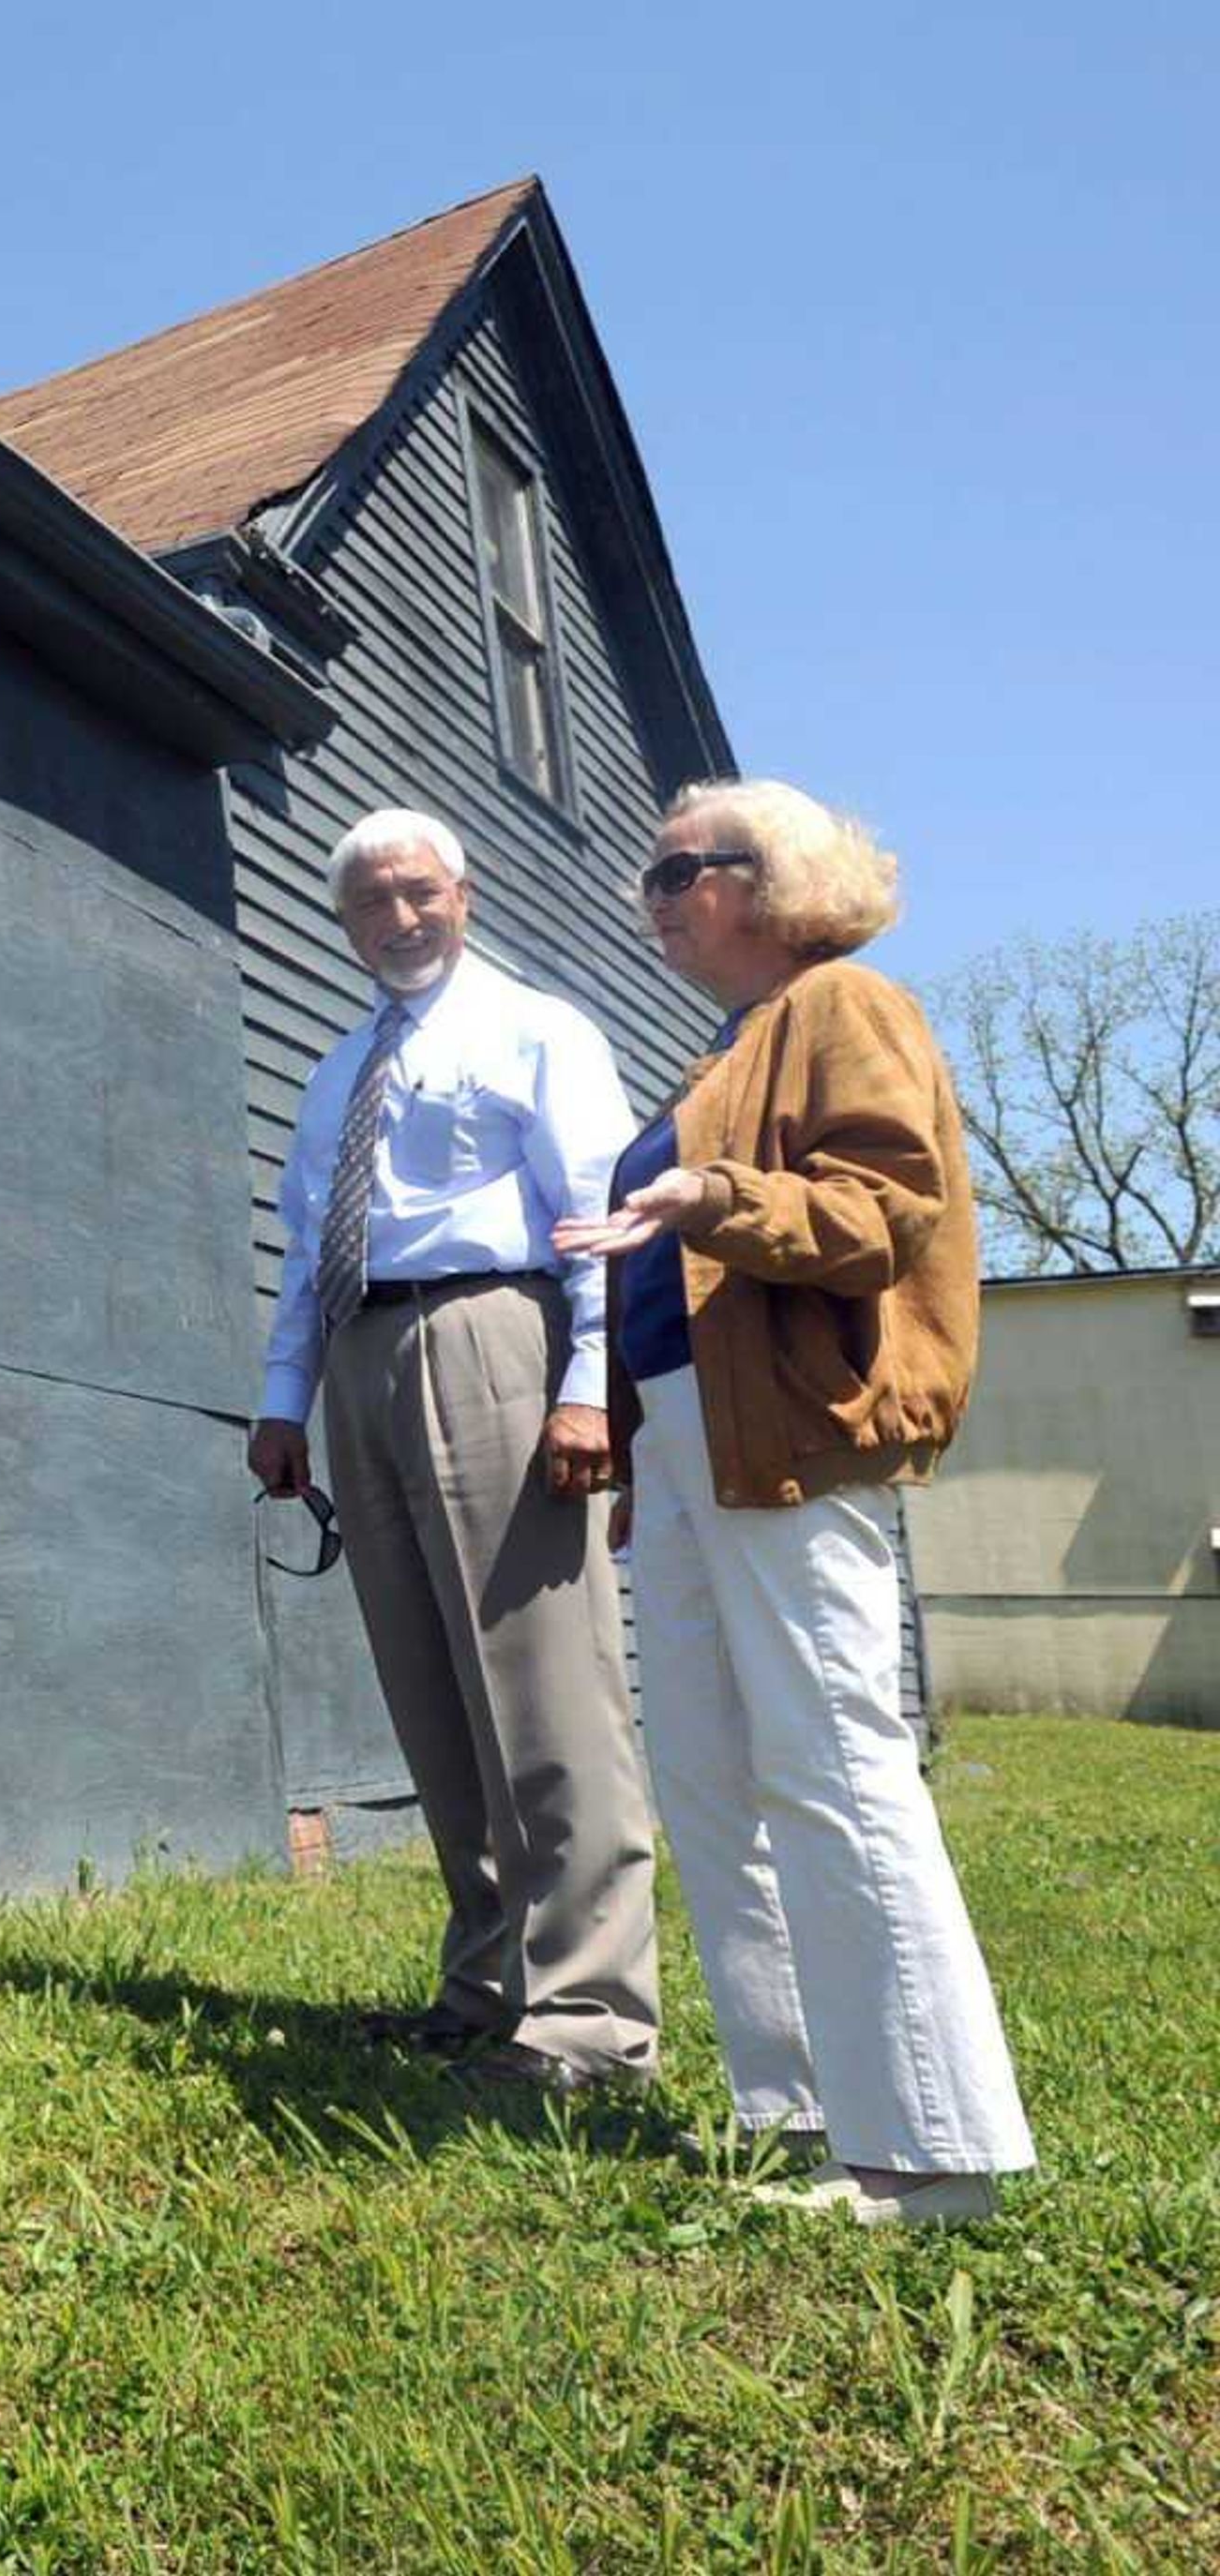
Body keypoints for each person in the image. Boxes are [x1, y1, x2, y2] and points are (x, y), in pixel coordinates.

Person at [553, 779, 1032, 2225]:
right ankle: (806, 2106)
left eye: (673, 870)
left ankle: (935, 2152)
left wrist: (712, 1198)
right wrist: (638, 1447)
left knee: (833, 1763)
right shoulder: (728, 1046)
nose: (651, 897)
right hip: (694, 1447)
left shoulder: (844, 1007)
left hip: (787, 1439)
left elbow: (889, 1215)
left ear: (765, 883)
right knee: (711, 1774)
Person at [248, 807, 661, 2094]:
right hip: (362, 1359)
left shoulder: (541, 1029)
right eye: (369, 904)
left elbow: (598, 1216)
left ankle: (590, 2015)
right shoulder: (336, 1071)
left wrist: (590, 1390)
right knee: (428, 1681)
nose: (397, 920)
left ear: (464, 894)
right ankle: (486, 1982)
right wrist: (285, 1396)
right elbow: (311, 1240)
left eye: (418, 893)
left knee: (542, 1680)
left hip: (497, 1336)